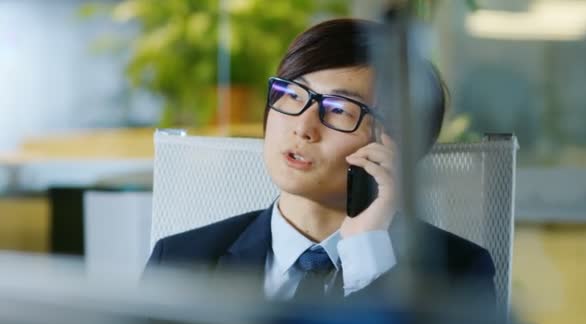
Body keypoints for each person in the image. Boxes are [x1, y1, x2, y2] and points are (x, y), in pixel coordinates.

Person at [146, 18, 495, 304]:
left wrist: (366, 253)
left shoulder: (458, 275)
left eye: (338, 109)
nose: (303, 126)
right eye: (291, 94)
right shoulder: (181, 260)